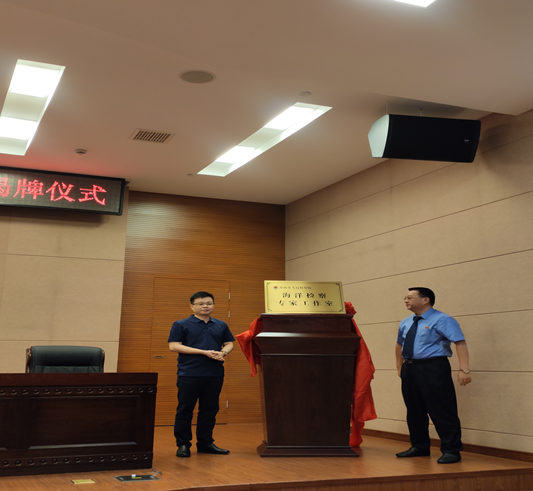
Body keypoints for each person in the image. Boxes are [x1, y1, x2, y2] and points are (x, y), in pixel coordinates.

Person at [395, 287, 471, 464]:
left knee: (442, 409)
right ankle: (419, 446)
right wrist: (399, 367)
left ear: (425, 299)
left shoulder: (442, 319)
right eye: (405, 297)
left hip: (433, 367)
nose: (406, 300)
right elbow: (399, 345)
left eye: (410, 297)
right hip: (410, 368)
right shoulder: (406, 322)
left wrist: (464, 369)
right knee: (414, 409)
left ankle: (451, 450)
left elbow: (460, 343)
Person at [168, 291, 235, 457]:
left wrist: (223, 353)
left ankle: (205, 443)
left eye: (209, 303)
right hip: (189, 373)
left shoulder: (220, 325)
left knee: (209, 410)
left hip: (214, 374)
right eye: (201, 303)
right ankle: (183, 444)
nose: (206, 306)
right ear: (192, 306)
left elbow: (229, 344)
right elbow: (174, 346)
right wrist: (203, 352)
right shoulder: (181, 324)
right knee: (185, 410)